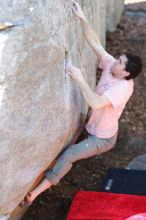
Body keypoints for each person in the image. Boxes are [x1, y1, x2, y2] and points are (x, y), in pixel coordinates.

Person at [19, 1, 143, 207]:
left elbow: (95, 103)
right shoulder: (113, 67)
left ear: (126, 74)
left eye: (120, 62)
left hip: (102, 138)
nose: (115, 61)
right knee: (71, 150)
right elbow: (95, 43)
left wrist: (80, 78)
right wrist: (82, 19)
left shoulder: (122, 88)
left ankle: (33, 194)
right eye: (118, 59)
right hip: (92, 126)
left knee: (70, 154)